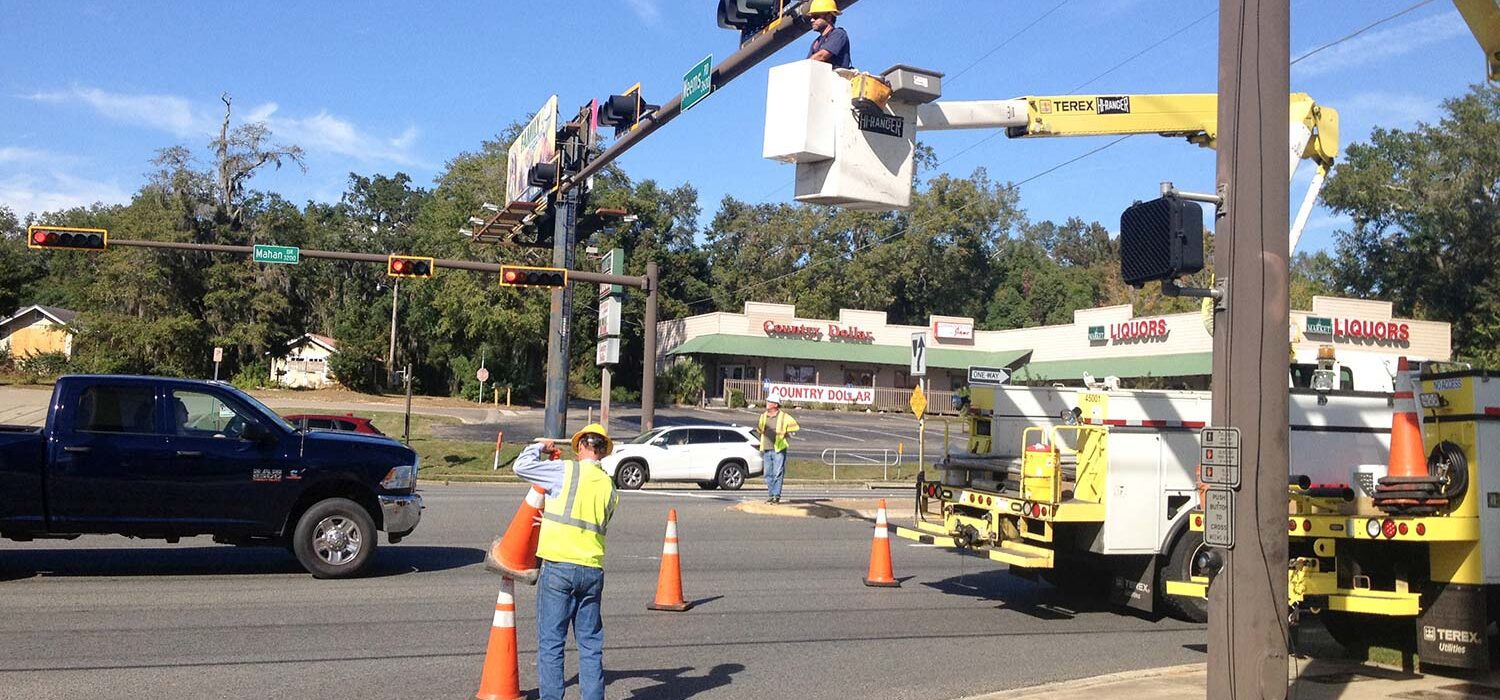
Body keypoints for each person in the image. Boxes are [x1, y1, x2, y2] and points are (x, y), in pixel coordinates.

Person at [513, 423, 619, 700]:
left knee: (552, 643)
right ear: (603, 451)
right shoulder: (609, 486)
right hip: (592, 569)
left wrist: (540, 447)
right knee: (590, 645)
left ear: (581, 445)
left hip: (559, 567)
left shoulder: (566, 471)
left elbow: (521, 467)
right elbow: (593, 519)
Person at [757, 391, 800, 503]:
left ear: (775, 404)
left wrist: (786, 433)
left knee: (777, 472)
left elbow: (795, 427)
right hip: (766, 448)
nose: (767, 403)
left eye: (769, 402)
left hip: (778, 449)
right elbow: (760, 430)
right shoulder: (763, 416)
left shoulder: (784, 417)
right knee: (767, 473)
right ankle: (771, 495)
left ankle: (776, 495)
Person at [806, 0, 852, 69]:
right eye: (811, 17)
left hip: (835, 75)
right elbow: (808, 63)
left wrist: (803, 66)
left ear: (828, 17)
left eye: (815, 17)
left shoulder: (838, 34)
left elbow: (822, 56)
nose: (812, 20)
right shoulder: (816, 42)